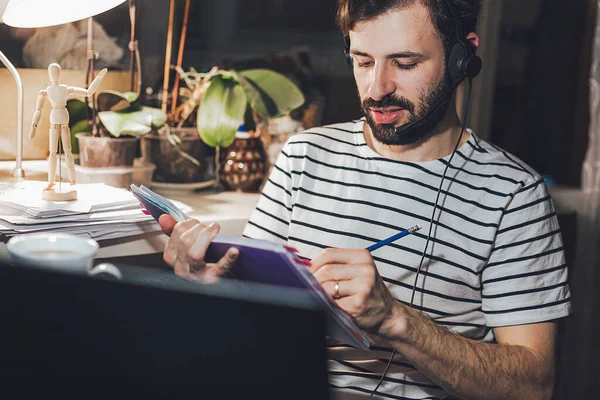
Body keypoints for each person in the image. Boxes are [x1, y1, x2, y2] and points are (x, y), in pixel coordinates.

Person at [158, 1, 572, 399]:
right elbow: (253, 316)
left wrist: (396, 320)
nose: (378, 89)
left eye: (405, 63)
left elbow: (532, 387)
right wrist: (209, 287)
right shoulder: (303, 156)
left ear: (464, 56)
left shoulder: (515, 195)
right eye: (363, 60)